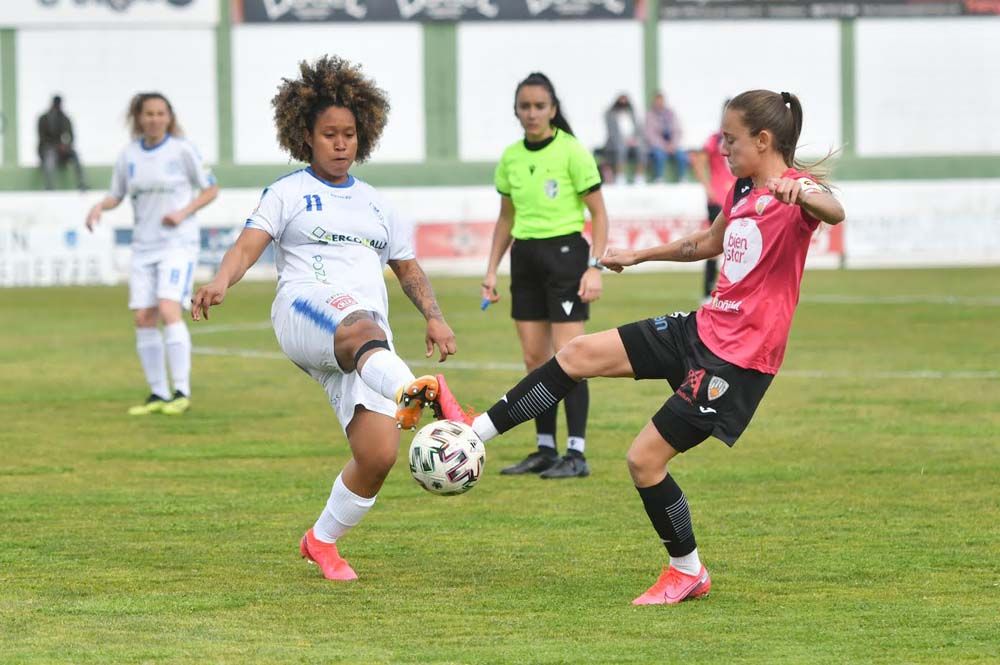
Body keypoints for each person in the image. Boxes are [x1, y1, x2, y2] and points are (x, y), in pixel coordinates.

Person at [468, 90, 844, 604]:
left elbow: (835, 209)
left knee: (644, 460)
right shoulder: (740, 191)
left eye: (730, 140)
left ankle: (687, 570)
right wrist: (638, 256)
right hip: (701, 329)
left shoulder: (796, 192)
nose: (722, 149)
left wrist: (801, 194)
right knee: (576, 355)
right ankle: (475, 434)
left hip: (736, 362)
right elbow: (704, 245)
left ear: (763, 139)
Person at [191, 55, 467, 581]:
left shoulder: (377, 206)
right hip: (306, 310)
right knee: (362, 326)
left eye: (349, 134)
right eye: (329, 134)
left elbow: (408, 268)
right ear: (306, 137)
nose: (341, 143)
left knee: (378, 455)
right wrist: (221, 281)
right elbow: (248, 246)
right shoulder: (288, 192)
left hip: (364, 351)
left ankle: (321, 540)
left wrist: (436, 318)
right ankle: (426, 390)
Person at [482, 72, 609, 479]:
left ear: (553, 109)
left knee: (570, 358)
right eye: (525, 106)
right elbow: (505, 219)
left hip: (567, 256)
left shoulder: (572, 152)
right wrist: (491, 271)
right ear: (516, 111)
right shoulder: (511, 158)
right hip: (525, 258)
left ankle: (577, 453)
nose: (532, 113)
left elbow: (600, 214)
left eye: (540, 106)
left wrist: (595, 267)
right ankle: (544, 448)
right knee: (535, 360)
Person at [85, 92, 218, 416]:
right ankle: (158, 394)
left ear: (169, 117)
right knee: (143, 318)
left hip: (177, 243)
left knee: (168, 308)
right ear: (138, 118)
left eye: (161, 113)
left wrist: (183, 212)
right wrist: (100, 206)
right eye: (149, 113)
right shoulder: (128, 155)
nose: (155, 119)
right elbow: (117, 195)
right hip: (144, 246)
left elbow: (210, 189)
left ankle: (181, 392)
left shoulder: (182, 149)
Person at [690, 99, 737, 301]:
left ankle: (730, 291)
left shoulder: (742, 138)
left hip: (738, 198)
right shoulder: (716, 139)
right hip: (718, 198)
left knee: (736, 245)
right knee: (714, 244)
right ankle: (707, 292)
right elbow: (698, 160)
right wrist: (708, 188)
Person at [38, 95, 87, 191]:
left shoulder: (64, 118)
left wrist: (66, 146)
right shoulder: (43, 118)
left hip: (63, 150)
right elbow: (42, 138)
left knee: (75, 155)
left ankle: (82, 183)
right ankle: (49, 186)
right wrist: (57, 146)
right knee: (50, 158)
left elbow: (71, 136)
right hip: (48, 149)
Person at [603, 94, 646, 185]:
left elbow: (638, 129)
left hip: (632, 141)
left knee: (642, 148)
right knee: (621, 148)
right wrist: (623, 140)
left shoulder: (631, 113)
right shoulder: (610, 114)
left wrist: (634, 139)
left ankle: (639, 176)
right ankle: (620, 176)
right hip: (617, 141)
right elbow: (612, 132)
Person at [645, 92, 688, 183]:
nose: (660, 103)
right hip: (658, 145)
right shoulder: (650, 115)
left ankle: (682, 178)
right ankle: (659, 178)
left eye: (661, 101)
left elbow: (678, 130)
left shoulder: (671, 113)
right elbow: (650, 134)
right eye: (657, 101)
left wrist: (672, 144)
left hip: (672, 144)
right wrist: (664, 146)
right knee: (659, 155)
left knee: (681, 155)